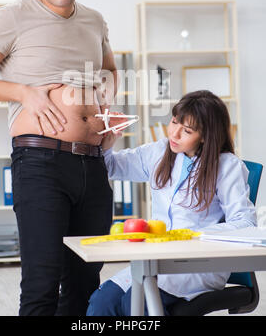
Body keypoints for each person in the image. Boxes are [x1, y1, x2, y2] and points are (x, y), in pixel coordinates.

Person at [0, 0, 120, 316]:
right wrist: (23, 93)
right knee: (43, 279)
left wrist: (107, 112)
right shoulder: (12, 17)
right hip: (41, 165)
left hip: (93, 163)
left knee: (86, 279)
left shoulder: (94, 20)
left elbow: (110, 71)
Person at [86, 90, 257, 316]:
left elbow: (245, 222)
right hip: (158, 260)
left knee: (136, 304)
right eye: (174, 122)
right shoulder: (159, 151)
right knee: (102, 302)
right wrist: (107, 142)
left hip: (199, 265)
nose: (174, 133)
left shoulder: (227, 166)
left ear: (206, 136)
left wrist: (192, 235)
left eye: (187, 130)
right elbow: (113, 167)